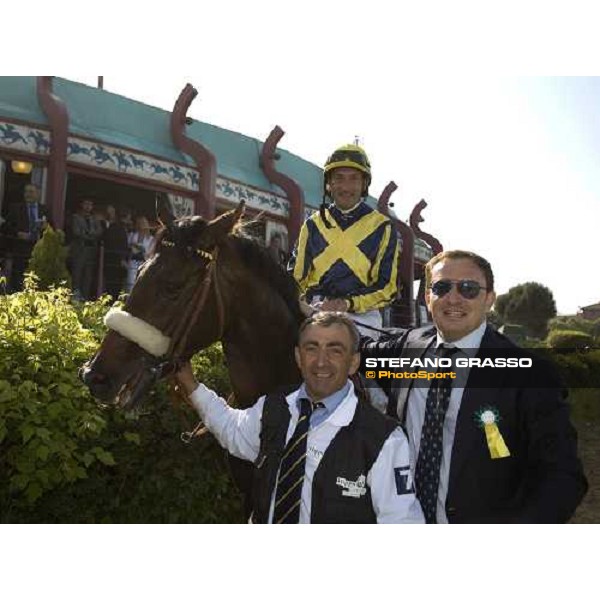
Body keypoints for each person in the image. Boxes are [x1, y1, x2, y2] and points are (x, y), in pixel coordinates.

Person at [360, 249, 588, 523]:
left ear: (489, 299)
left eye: (468, 288)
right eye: (441, 287)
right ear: (427, 297)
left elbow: (562, 477)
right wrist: (311, 313)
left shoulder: (532, 375)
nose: (453, 298)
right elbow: (350, 350)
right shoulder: (407, 347)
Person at [175, 312, 424, 524]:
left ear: (353, 363)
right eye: (311, 348)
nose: (321, 362)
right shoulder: (273, 407)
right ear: (298, 357)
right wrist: (190, 384)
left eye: (335, 350)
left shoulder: (384, 439)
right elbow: (233, 430)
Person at [289, 144, 399, 338]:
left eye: (354, 179)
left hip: (361, 317)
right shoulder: (312, 225)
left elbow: (387, 287)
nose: (346, 187)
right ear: (328, 184)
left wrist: (346, 303)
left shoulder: (382, 226)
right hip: (315, 310)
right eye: (339, 178)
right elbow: (296, 278)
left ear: (364, 184)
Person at [2, 183, 48, 291]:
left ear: (38, 194)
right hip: (20, 250)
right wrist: (18, 233)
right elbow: (5, 227)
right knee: (18, 279)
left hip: (38, 250)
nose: (28, 194)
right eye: (26, 192)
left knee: (35, 279)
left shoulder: (44, 209)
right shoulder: (16, 208)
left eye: (31, 192)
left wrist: (46, 227)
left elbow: (52, 228)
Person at [69, 197, 103, 300]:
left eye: (90, 204)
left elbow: (99, 231)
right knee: (77, 273)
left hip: (91, 251)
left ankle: (85, 296)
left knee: (88, 275)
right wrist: (89, 234)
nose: (88, 207)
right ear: (82, 205)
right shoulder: (76, 217)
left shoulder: (95, 219)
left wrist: (89, 234)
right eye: (86, 204)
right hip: (79, 250)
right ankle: (75, 295)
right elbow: (76, 232)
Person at [102, 204, 129, 300]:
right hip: (104, 258)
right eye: (108, 211)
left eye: (112, 212)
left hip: (116, 260)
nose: (110, 214)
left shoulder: (120, 227)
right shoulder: (101, 223)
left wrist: (123, 258)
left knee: (115, 284)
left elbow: (123, 243)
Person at [126, 215, 154, 292]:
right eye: (140, 223)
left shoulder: (151, 239)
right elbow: (127, 247)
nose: (142, 225)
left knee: (142, 282)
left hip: (144, 262)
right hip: (133, 261)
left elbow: (150, 252)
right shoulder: (132, 235)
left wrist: (142, 250)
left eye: (144, 223)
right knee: (131, 282)